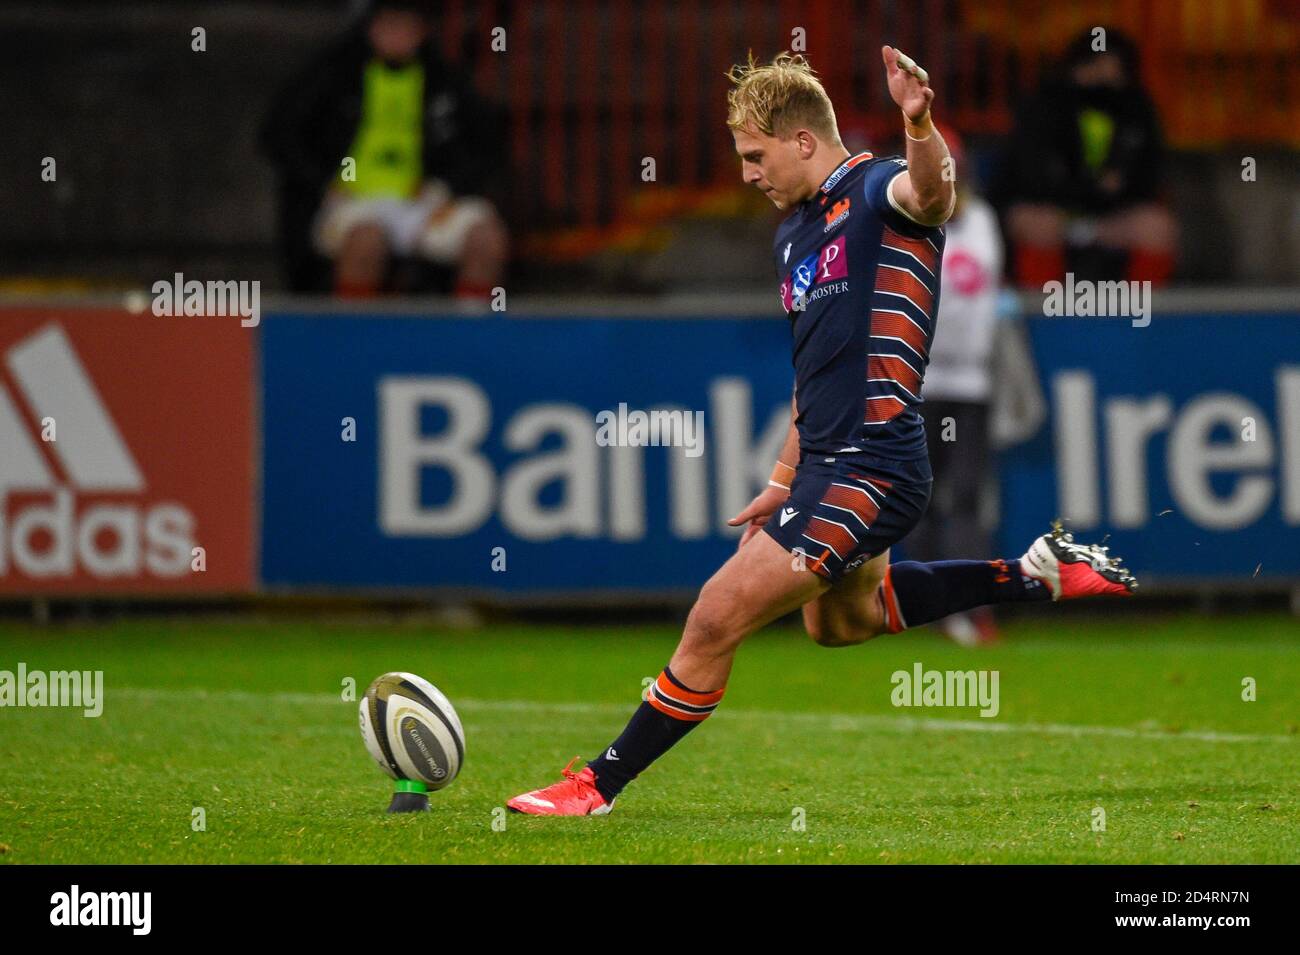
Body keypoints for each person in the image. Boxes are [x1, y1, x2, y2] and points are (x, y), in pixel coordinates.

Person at [506, 49, 1135, 817]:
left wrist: (920, 124)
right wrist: (780, 481)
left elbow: (934, 192)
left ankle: (595, 785)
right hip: (826, 467)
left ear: (803, 141)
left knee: (714, 614)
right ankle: (1035, 573)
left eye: (754, 155)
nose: (746, 175)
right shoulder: (792, 235)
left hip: (875, 467)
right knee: (841, 624)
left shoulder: (877, 189)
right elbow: (815, 375)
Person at [260, 0, 508, 300]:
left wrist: (446, 186)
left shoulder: (444, 80)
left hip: (425, 202)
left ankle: (470, 336)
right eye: (389, 26)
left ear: (422, 32)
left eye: (407, 27)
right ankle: (353, 336)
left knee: (487, 240)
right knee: (367, 241)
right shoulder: (334, 74)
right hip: (352, 202)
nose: (398, 36)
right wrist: (323, 182)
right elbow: (279, 134)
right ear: (371, 28)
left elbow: (487, 148)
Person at [905, 125, 1004, 646]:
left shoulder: (982, 221)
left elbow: (986, 297)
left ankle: (967, 605)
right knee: (917, 498)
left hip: (970, 383)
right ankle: (924, 603)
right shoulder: (904, 222)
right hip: (919, 382)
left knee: (965, 497)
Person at [999, 28, 1177, 288]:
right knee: (1038, 224)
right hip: (1053, 213)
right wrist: (1088, 189)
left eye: (1112, 69)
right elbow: (1031, 175)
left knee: (1158, 228)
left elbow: (1148, 175)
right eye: (1094, 66)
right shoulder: (1043, 104)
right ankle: (1044, 317)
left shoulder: (1137, 109)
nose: (1101, 76)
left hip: (1112, 217)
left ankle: (1140, 318)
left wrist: (1110, 196)